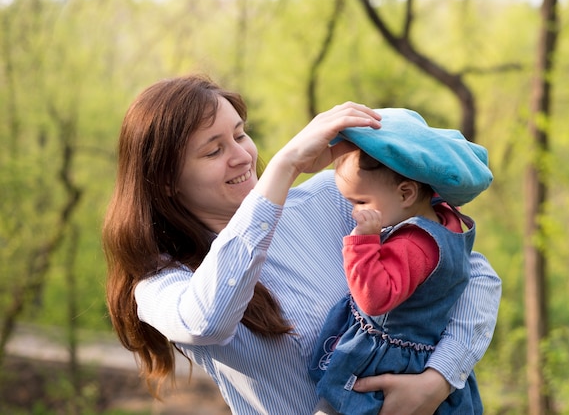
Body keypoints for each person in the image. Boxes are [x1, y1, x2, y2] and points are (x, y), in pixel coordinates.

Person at [102, 75, 502, 415]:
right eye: (214, 150)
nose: (242, 156)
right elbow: (208, 321)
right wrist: (284, 165)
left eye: (241, 134)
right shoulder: (161, 285)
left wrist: (440, 378)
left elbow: (470, 270)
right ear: (166, 180)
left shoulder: (335, 198)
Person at [308, 108, 493, 415]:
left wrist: (362, 244)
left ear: (406, 192)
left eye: (361, 202)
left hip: (384, 363)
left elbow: (375, 299)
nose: (353, 212)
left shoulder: (413, 244)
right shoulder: (444, 218)